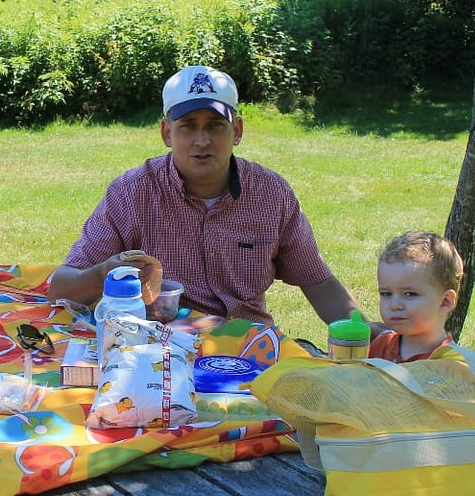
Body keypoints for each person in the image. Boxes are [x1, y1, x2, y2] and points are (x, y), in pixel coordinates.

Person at [48, 66, 361, 329]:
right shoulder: (132, 193)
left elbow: (317, 281)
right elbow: (62, 289)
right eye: (188, 127)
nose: (202, 140)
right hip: (162, 351)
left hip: (250, 348)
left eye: (215, 126)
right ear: (166, 133)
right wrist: (106, 272)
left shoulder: (271, 194)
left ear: (236, 131)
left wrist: (364, 330)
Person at [371, 231, 462, 363]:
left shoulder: (451, 364)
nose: (394, 305)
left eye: (409, 294)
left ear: (445, 302)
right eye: (386, 293)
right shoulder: (381, 346)